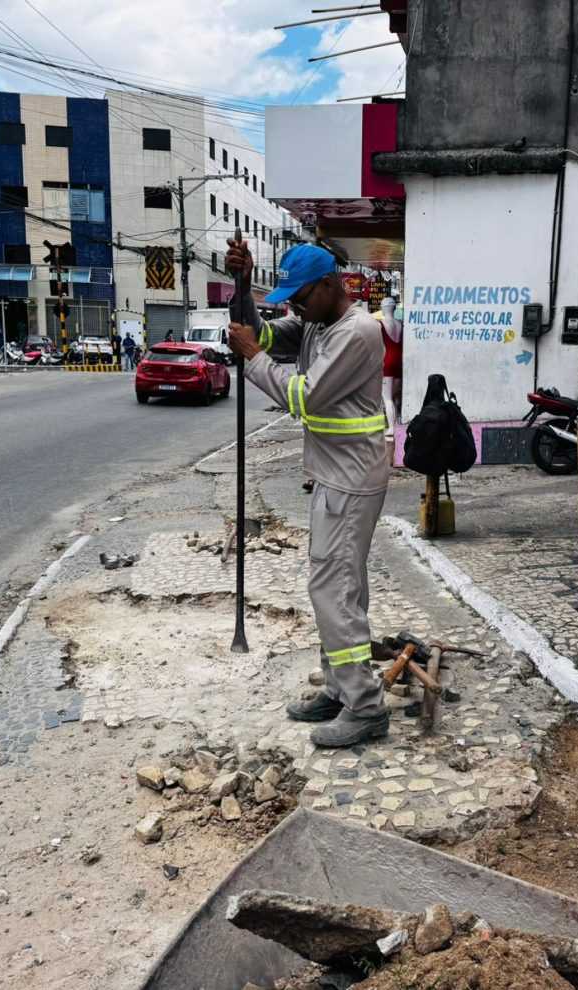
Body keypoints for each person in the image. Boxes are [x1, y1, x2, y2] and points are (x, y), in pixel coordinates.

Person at [226, 240, 390, 749]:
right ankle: (341, 689)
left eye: (300, 295)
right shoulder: (318, 325)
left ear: (328, 285)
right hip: (334, 476)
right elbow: (268, 334)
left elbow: (303, 396)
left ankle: (364, 706)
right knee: (340, 588)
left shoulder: (357, 333)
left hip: (351, 480)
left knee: (332, 591)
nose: (293, 306)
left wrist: (251, 358)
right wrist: (242, 285)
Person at [378, 297, 403, 439]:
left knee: (387, 398)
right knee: (396, 396)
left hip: (387, 363)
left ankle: (392, 428)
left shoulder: (380, 324)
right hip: (399, 362)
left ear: (384, 308)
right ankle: (398, 422)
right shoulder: (400, 324)